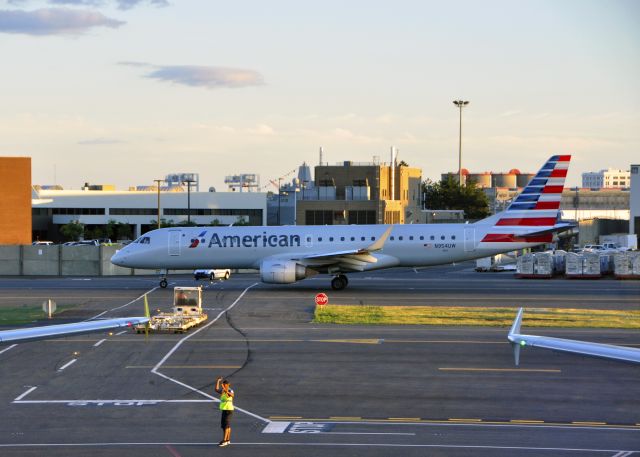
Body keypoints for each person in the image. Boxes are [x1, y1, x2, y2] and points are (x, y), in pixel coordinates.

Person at [215, 377, 234, 447]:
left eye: (225, 384)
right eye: (223, 384)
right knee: (226, 426)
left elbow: (232, 395)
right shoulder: (223, 390)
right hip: (225, 409)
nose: (224, 385)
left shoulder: (230, 390)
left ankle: (225, 441)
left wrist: (225, 389)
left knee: (226, 426)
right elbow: (216, 390)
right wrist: (217, 381)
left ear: (228, 385)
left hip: (228, 410)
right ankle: (228, 440)